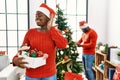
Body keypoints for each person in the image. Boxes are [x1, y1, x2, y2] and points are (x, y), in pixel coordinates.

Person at [12, 3, 67, 80]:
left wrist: (51, 28)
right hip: (32, 75)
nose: (37, 17)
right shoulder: (30, 32)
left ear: (48, 18)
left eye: (40, 15)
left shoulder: (54, 32)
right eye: (36, 15)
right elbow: (22, 49)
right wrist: (15, 60)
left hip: (49, 75)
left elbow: (63, 45)